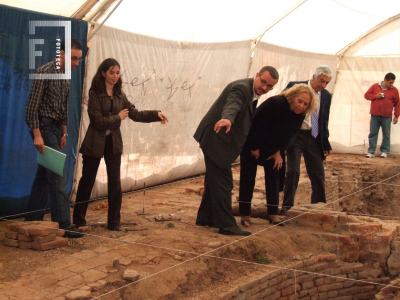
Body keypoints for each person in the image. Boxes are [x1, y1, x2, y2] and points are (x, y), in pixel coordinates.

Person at [72, 58, 168, 231]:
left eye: (117, 73)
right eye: (111, 72)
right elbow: (97, 121)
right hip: (94, 142)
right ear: (103, 73)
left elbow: (136, 114)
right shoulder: (94, 94)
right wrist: (117, 118)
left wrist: (156, 114)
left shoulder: (120, 95)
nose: (115, 76)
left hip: (113, 142)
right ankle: (78, 220)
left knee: (115, 183)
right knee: (87, 181)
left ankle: (114, 222)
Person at [193, 66, 279, 236]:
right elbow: (233, 104)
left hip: (217, 139)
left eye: (270, 86)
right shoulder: (242, 88)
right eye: (263, 82)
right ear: (256, 75)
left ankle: (205, 217)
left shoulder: (253, 92)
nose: (265, 88)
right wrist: (227, 118)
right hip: (216, 139)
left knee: (213, 181)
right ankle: (226, 225)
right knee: (224, 183)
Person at [25, 39, 84, 238]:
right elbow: (31, 107)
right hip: (44, 127)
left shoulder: (66, 76)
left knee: (44, 176)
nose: (77, 63)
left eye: (79, 59)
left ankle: (32, 218)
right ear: (62, 54)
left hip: (57, 129)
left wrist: (65, 132)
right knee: (58, 177)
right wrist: (37, 134)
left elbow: (63, 107)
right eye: (74, 58)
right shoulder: (45, 71)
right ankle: (64, 225)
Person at [239, 84, 315, 227]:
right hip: (252, 142)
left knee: (275, 175)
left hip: (272, 147)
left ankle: (273, 213)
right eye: (300, 101)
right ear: (292, 97)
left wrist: (278, 151)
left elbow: (288, 136)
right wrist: (255, 148)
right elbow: (255, 124)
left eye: (306, 104)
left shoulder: (300, 115)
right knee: (248, 177)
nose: (302, 106)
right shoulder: (276, 103)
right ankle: (245, 214)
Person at [282, 65, 333, 214]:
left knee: (318, 174)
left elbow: (324, 121)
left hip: (314, 137)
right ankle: (287, 207)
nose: (323, 85)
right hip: (296, 135)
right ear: (314, 77)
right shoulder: (296, 87)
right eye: (321, 81)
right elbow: (282, 110)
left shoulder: (326, 96)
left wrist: (326, 142)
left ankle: (318, 208)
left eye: (327, 83)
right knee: (293, 171)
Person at [364, 73, 399, 158]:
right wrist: (375, 96)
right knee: (373, 133)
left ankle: (385, 151)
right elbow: (366, 95)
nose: (392, 84)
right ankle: (371, 151)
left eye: (393, 82)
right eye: (390, 82)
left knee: (386, 134)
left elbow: (397, 103)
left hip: (387, 116)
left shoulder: (394, 90)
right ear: (385, 80)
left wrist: (396, 116)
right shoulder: (375, 86)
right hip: (375, 115)